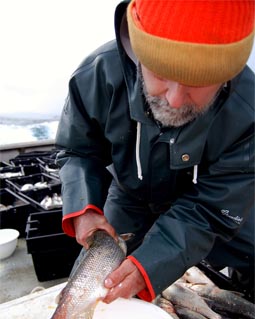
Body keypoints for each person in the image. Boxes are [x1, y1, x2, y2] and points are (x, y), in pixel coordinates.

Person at [56, 0, 255, 303]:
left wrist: (152, 264)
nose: (175, 100)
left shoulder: (249, 112)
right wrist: (84, 209)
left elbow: (212, 209)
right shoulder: (98, 73)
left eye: (198, 81)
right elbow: (78, 150)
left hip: (212, 205)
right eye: (160, 73)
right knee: (95, 287)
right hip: (131, 197)